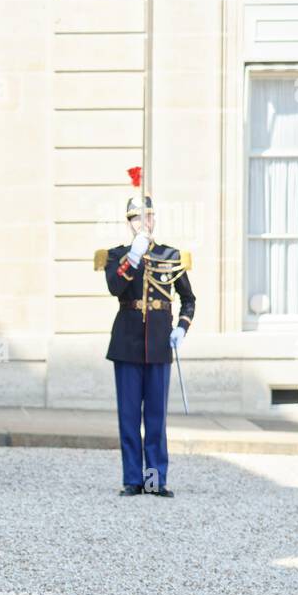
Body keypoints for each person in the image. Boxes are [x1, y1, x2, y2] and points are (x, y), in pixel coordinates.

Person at [100, 185, 195, 497]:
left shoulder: (170, 256)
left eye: (148, 216)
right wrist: (134, 254)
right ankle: (132, 479)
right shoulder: (116, 256)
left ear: (154, 220)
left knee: (155, 419)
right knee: (129, 418)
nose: (144, 222)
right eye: (137, 218)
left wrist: (181, 327)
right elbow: (116, 287)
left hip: (158, 345)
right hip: (127, 343)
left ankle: (155, 480)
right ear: (129, 223)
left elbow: (188, 299)